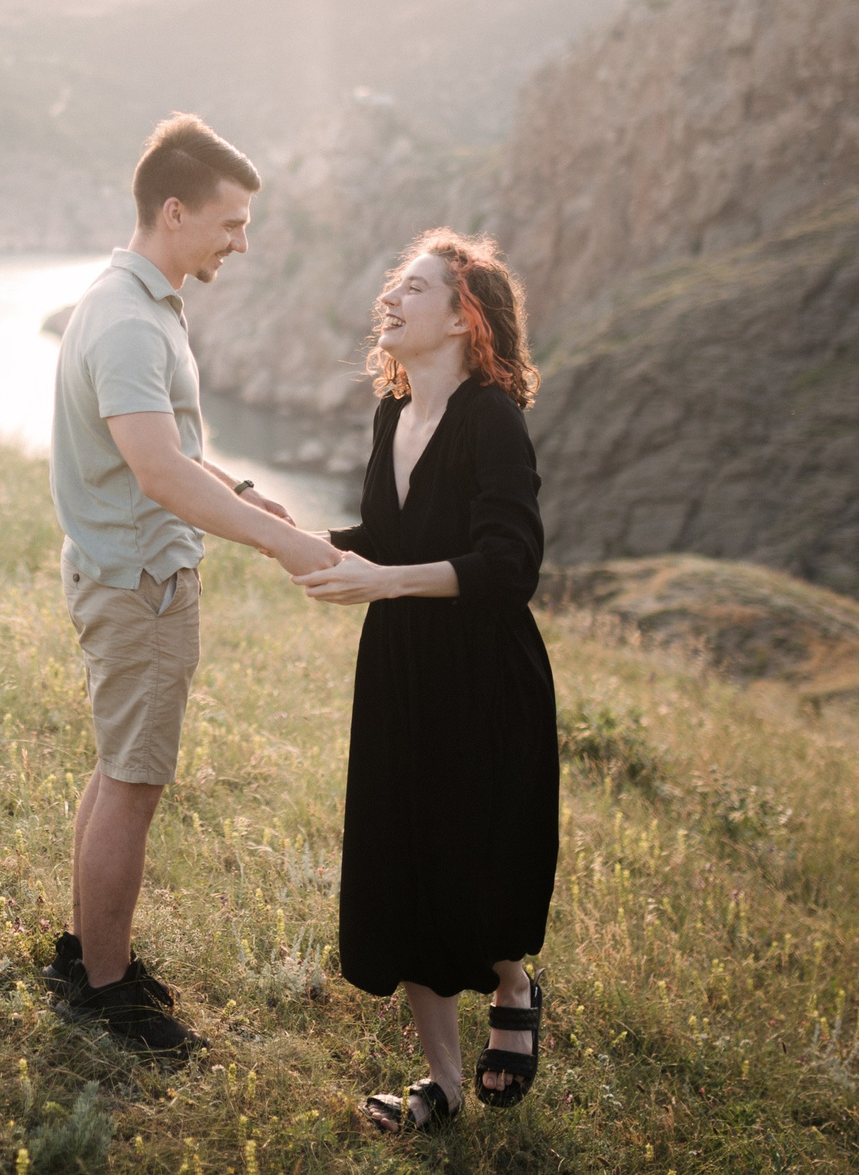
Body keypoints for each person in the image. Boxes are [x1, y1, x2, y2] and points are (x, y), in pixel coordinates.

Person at [45, 113, 342, 1056]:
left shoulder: (135, 300)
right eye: (231, 222)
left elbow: (170, 446)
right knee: (133, 783)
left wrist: (245, 492)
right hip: (141, 584)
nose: (241, 242)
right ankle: (105, 994)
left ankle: (85, 959)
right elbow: (158, 472)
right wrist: (280, 544)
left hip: (125, 572)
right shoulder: (131, 321)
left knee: (117, 767)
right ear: (174, 211)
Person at [291, 229, 557, 1125]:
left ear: (461, 315)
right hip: (399, 666)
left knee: (468, 860)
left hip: (483, 674)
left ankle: (513, 981)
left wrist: (386, 582)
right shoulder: (391, 413)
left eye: (413, 286)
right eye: (393, 285)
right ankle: (441, 1083)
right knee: (404, 857)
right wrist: (289, 534)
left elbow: (511, 563)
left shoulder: (491, 419)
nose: (391, 298)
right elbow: (386, 541)